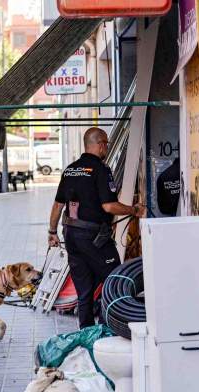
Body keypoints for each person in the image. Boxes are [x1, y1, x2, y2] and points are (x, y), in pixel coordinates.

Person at [48, 127, 145, 329]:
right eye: (106, 144)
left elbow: (58, 205)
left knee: (84, 291)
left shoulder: (70, 169)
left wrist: (51, 232)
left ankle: (87, 333)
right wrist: (134, 210)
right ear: (100, 144)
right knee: (115, 281)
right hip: (94, 238)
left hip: (71, 236)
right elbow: (109, 206)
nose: (107, 148)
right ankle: (108, 329)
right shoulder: (101, 170)